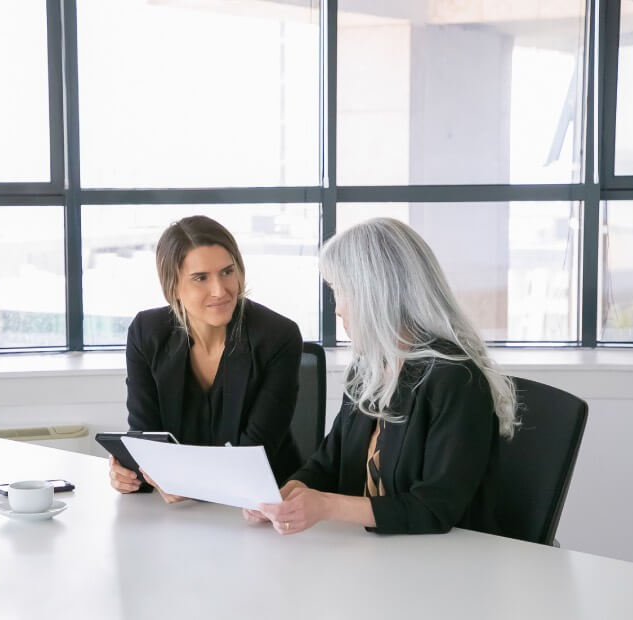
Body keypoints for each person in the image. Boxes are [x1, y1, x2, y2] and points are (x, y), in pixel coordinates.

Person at [246, 217, 518, 535]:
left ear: (375, 294)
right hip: (374, 556)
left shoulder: (456, 379)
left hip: (442, 565)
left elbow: (434, 508)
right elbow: (327, 464)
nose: (337, 310)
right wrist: (285, 496)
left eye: (340, 292)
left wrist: (326, 505)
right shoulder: (369, 369)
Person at [109, 215, 303, 502]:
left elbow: (253, 456)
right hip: (181, 513)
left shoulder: (278, 336)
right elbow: (146, 440)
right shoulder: (146, 333)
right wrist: (130, 473)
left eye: (227, 272)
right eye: (201, 278)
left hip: (266, 507)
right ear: (172, 285)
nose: (220, 290)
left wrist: (181, 482)